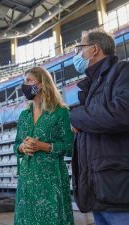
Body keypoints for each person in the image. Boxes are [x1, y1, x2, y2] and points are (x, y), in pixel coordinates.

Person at [70, 29, 129, 225]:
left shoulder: (122, 71)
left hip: (118, 193)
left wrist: (77, 117)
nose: (78, 54)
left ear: (94, 49)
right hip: (100, 191)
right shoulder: (93, 84)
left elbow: (122, 113)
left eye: (80, 48)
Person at [13, 66, 74, 225]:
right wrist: (22, 148)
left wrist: (44, 146)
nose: (24, 85)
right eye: (24, 81)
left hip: (52, 180)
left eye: (29, 80)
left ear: (42, 84)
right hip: (27, 179)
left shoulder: (60, 112)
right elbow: (16, 145)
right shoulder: (24, 116)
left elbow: (69, 147)